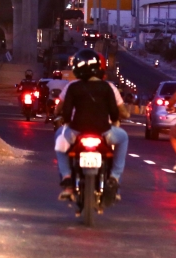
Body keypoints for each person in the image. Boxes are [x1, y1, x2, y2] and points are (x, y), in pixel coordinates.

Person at [55, 49, 129, 203]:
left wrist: (65, 122)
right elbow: (115, 113)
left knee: (59, 141)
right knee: (123, 138)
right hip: (104, 132)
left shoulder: (73, 87)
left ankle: (67, 178)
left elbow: (66, 113)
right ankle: (115, 177)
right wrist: (113, 122)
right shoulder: (107, 87)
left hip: (76, 131)